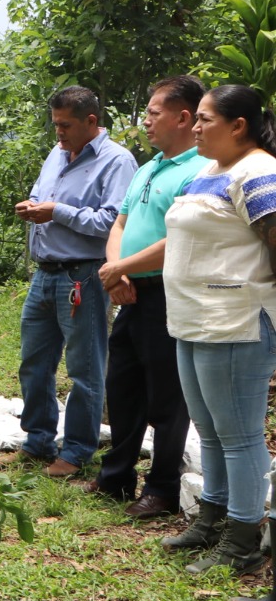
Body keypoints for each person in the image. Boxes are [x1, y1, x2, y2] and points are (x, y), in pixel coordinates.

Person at [159, 84, 276, 574]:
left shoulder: (260, 171)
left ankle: (244, 538)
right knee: (209, 429)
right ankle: (212, 517)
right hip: (193, 319)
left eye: (205, 119)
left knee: (239, 435)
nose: (197, 127)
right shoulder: (209, 171)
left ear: (238, 126)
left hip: (234, 320)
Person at [91, 76, 210, 517]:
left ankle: (160, 489)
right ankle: (115, 477)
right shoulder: (147, 166)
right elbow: (119, 224)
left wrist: (122, 267)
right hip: (130, 292)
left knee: (167, 394)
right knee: (122, 386)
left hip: (168, 292)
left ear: (183, 117)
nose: (145, 121)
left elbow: (180, 235)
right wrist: (117, 272)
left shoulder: (201, 170)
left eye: (153, 113)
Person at [16, 87, 137, 478]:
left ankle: (78, 451)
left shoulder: (117, 161)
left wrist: (58, 212)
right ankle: (37, 440)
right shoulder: (57, 154)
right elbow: (44, 196)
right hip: (45, 274)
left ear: (91, 121)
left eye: (65, 125)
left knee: (84, 367)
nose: (59, 134)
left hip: (83, 275)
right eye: (55, 125)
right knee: (34, 362)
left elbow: (112, 222)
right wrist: (34, 207)